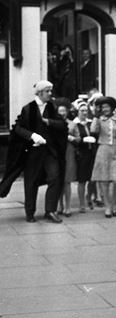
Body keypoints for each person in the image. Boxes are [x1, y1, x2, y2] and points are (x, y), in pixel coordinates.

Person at [0, 80, 68, 223]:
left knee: (55, 177)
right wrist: (32, 136)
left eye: (51, 91)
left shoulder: (51, 107)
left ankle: (50, 210)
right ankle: (30, 213)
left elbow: (62, 124)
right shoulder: (28, 108)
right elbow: (18, 128)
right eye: (47, 91)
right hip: (33, 152)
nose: (50, 94)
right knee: (31, 181)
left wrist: (48, 122)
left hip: (50, 151)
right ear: (40, 92)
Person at [90, 96, 116, 218]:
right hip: (103, 149)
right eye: (103, 107)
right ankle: (108, 206)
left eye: (107, 106)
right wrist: (96, 116)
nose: (105, 109)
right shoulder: (99, 120)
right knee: (104, 179)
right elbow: (93, 130)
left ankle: (114, 203)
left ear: (112, 107)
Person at [73, 99, 96, 212]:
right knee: (82, 180)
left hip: (92, 153)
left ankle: (89, 197)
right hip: (81, 154)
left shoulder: (90, 123)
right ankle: (82, 204)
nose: (84, 113)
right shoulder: (74, 124)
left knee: (93, 179)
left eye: (86, 110)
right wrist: (82, 140)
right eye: (82, 110)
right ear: (78, 111)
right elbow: (72, 139)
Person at [57, 99, 79, 217]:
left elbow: (78, 139)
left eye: (64, 111)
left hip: (69, 153)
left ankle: (68, 206)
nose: (62, 114)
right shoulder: (54, 123)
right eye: (60, 112)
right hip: (57, 154)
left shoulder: (72, 124)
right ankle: (59, 205)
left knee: (67, 181)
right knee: (58, 181)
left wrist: (71, 138)